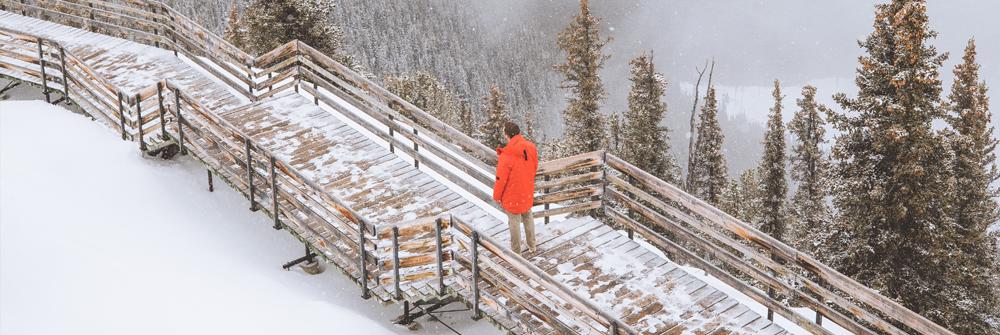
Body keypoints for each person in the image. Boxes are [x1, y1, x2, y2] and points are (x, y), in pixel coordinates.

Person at [493, 121, 539, 254]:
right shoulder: (531, 147)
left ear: (507, 135)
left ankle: (516, 251)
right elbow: (534, 166)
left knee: (514, 220)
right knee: (527, 215)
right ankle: (532, 245)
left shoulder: (506, 154)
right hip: (526, 188)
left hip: (512, 192)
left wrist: (497, 196)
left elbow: (501, 179)